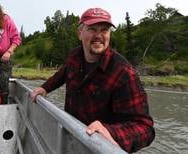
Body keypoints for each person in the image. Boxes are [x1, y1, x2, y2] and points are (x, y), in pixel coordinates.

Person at [30, 7, 155, 153]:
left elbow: (145, 128)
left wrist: (110, 132)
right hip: (71, 140)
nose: (99, 35)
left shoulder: (124, 73)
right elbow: (62, 74)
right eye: (92, 29)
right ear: (80, 33)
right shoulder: (75, 56)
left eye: (104, 30)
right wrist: (45, 88)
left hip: (98, 148)